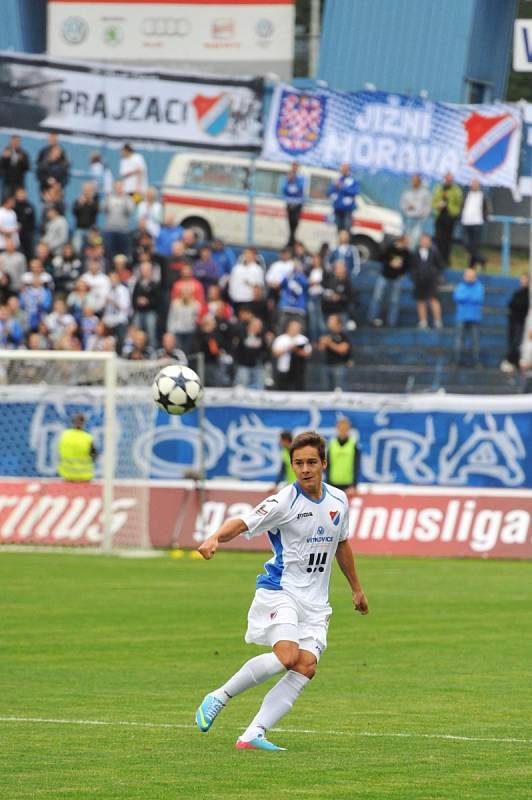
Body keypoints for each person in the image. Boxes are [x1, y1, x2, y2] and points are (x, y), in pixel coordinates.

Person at [195, 430, 368, 751]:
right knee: (288, 657)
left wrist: (356, 589)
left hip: (317, 603)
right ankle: (219, 696)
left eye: (311, 462)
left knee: (306, 665)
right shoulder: (283, 501)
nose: (304, 469)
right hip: (281, 590)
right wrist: (215, 538)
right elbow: (243, 522)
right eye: (298, 463)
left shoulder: (338, 500)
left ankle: (252, 734)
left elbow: (341, 543)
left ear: (324, 464)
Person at [368, 235, 411, 327]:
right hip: (384, 276)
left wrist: (400, 268)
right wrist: (390, 263)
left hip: (397, 278)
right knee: (377, 298)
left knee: (394, 301)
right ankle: (372, 318)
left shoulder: (406, 253)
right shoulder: (390, 249)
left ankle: (392, 322)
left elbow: (408, 266)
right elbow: (381, 258)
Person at [410, 234, 444, 330]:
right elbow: (412, 266)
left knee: (434, 300)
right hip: (419, 280)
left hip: (432, 281)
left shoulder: (435, 252)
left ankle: (437, 321)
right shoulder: (415, 253)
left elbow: (441, 265)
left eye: (427, 240)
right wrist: (415, 277)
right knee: (420, 301)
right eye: (423, 240)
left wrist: (434, 274)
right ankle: (423, 321)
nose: (425, 242)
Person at [453, 267, 484, 367]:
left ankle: (476, 361)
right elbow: (457, 297)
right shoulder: (461, 286)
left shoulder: (479, 287)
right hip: (461, 316)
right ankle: (457, 361)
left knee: (476, 341)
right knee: (459, 340)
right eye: (468, 276)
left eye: (471, 276)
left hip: (475, 317)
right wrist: (469, 298)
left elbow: (478, 298)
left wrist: (466, 298)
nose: (469, 278)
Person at [500, 274, 529, 373]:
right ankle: (514, 361)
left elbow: (520, 305)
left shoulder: (527, 294)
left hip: (522, 323)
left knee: (518, 343)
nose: (523, 282)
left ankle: (514, 361)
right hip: (514, 322)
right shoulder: (518, 292)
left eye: (525, 280)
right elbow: (511, 304)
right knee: (514, 342)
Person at [431, 172, 463, 265]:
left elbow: (459, 204)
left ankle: (446, 259)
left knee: (448, 240)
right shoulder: (438, 189)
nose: (448, 180)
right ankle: (437, 259)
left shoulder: (456, 190)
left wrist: (454, 213)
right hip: (439, 216)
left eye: (450, 179)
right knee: (438, 239)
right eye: (447, 178)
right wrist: (438, 205)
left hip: (450, 217)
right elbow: (433, 202)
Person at [272, 319, 311, 391]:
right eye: (294, 327)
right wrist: (288, 348)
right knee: (283, 389)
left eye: (297, 328)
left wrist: (296, 350)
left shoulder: (303, 339)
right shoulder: (281, 339)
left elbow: (308, 353)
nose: (295, 329)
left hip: (298, 370)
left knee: (298, 389)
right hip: (284, 369)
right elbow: (275, 353)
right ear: (288, 327)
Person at [57, 412, 97, 482]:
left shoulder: (64, 435)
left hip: (67, 475)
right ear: (84, 423)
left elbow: (60, 451)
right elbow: (94, 456)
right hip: (84, 476)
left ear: (72, 422)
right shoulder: (87, 438)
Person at [460, 179, 491, 269]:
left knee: (475, 245)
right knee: (466, 244)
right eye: (472, 184)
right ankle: (482, 259)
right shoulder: (466, 195)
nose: (474, 186)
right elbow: (462, 206)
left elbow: (487, 208)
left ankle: (471, 266)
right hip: (466, 222)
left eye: (476, 184)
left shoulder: (483, 195)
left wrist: (483, 217)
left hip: (477, 222)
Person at [318, 314, 352, 391]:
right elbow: (321, 349)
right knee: (326, 390)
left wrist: (330, 343)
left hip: (339, 366)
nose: (329, 324)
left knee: (340, 390)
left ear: (338, 324)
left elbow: (343, 350)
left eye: (332, 322)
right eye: (329, 322)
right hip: (327, 365)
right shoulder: (326, 335)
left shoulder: (343, 336)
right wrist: (322, 343)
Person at [327, 417, 360, 495]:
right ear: (337, 428)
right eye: (341, 427)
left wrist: (354, 485)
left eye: (345, 428)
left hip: (348, 486)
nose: (343, 430)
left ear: (349, 428)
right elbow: (327, 465)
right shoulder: (331, 444)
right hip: (333, 484)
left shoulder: (354, 444)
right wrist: (328, 484)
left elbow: (357, 465)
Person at [399, 174, 431, 248]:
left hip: (419, 220)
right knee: (405, 238)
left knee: (415, 239)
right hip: (408, 219)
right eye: (413, 180)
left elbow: (428, 207)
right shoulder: (407, 192)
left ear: (419, 182)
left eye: (416, 181)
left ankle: (411, 256)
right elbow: (402, 204)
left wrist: (423, 216)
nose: (414, 182)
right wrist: (407, 207)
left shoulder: (425, 193)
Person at [327, 163, 358, 232]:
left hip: (347, 210)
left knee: (346, 229)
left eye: (345, 169)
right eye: (342, 169)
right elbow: (329, 192)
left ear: (348, 170)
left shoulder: (353, 181)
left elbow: (354, 192)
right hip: (337, 208)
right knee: (339, 229)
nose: (343, 170)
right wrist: (335, 186)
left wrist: (343, 187)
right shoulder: (337, 180)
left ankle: (346, 242)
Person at [281, 162, 305, 246]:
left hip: (297, 203)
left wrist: (294, 180)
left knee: (295, 221)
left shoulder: (301, 176)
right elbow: (284, 188)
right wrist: (289, 180)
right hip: (289, 202)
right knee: (290, 221)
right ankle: (291, 239)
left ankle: (292, 239)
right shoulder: (287, 176)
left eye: (296, 166)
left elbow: (300, 189)